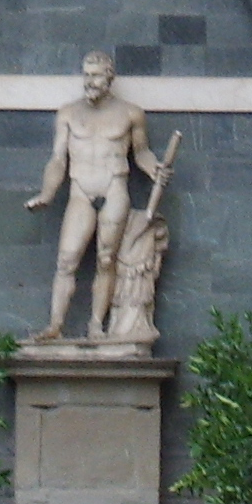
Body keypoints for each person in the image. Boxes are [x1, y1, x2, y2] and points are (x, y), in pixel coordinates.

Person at [25, 51, 172, 343]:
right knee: (67, 259)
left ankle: (96, 325)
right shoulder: (68, 113)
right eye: (85, 74)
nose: (88, 81)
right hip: (81, 191)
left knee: (107, 260)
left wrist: (155, 169)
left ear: (109, 77)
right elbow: (58, 160)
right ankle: (55, 325)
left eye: (94, 75)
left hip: (114, 189)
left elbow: (140, 153)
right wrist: (47, 193)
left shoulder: (130, 113)